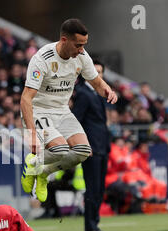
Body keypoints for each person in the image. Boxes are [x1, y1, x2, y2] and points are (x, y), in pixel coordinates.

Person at [20, 18, 117, 203]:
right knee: (60, 150)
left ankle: (42, 173)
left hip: (62, 111)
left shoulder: (82, 56)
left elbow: (96, 82)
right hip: (39, 110)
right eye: (78, 45)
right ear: (64, 40)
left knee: (82, 151)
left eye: (84, 45)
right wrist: (31, 133)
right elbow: (26, 98)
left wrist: (108, 91)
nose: (81, 49)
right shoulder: (42, 59)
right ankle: (31, 163)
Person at [71, 60, 114, 231]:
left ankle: (95, 225)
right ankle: (90, 228)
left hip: (102, 147)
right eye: (95, 71)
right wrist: (82, 144)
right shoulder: (83, 93)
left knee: (99, 188)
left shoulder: (97, 94)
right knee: (92, 188)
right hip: (91, 148)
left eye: (101, 72)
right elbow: (76, 121)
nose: (99, 75)